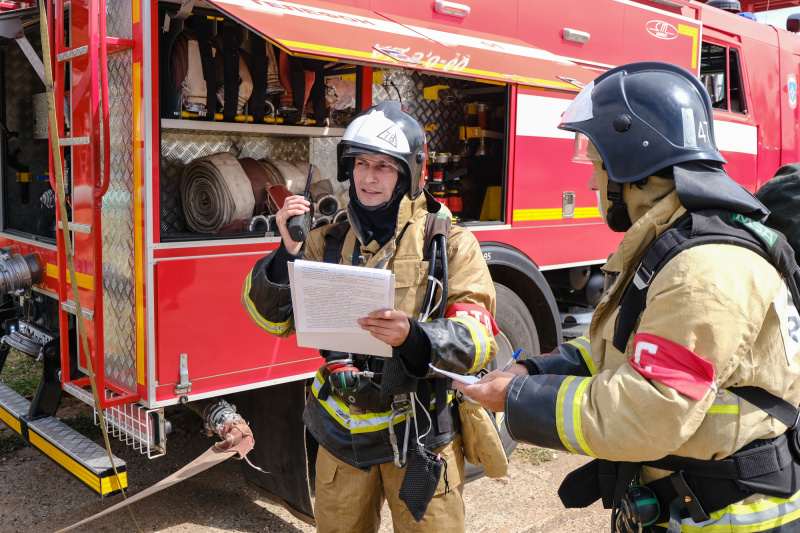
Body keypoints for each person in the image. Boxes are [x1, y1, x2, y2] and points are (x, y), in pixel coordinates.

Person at [455, 61, 800, 532]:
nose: (592, 183)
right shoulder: (674, 244)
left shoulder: (703, 271)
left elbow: (646, 413)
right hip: (688, 503)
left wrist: (517, 396)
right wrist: (533, 369)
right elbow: (621, 347)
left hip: (730, 519)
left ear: (630, 163)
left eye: (596, 163)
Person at [242, 100, 498, 532]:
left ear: (409, 173)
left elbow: (477, 339)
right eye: (361, 163)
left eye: (383, 165)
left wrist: (415, 338)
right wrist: (286, 253)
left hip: (419, 436)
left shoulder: (450, 243)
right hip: (342, 436)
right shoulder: (328, 239)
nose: (368, 177)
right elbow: (273, 320)